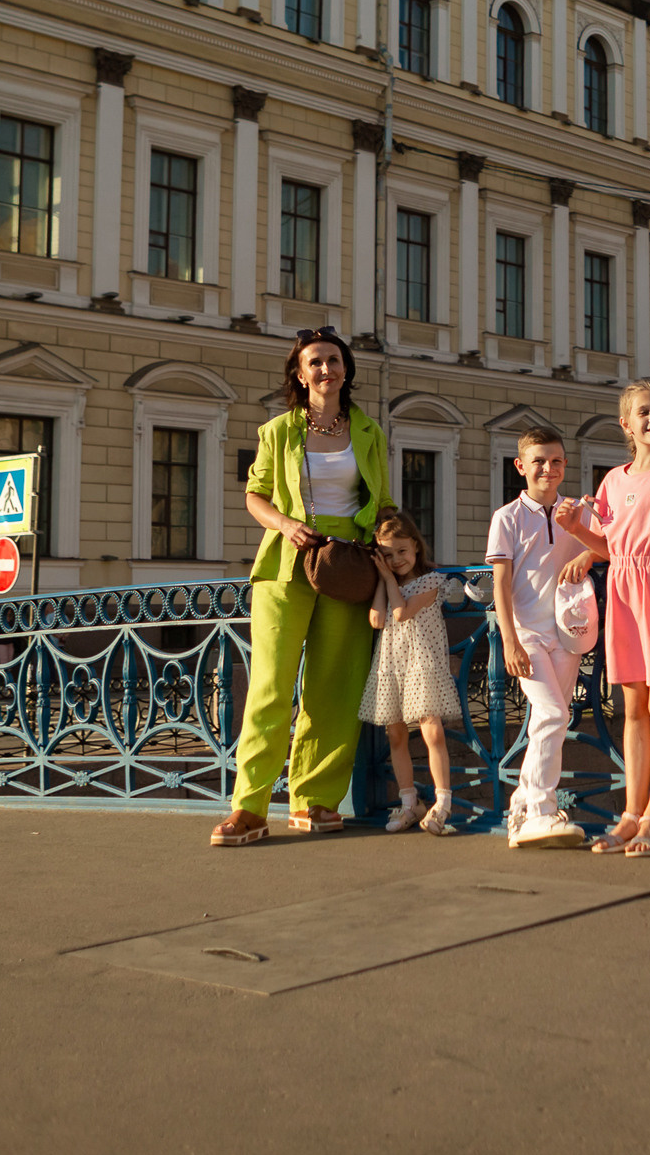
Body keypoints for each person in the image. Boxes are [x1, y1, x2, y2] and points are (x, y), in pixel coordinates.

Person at [211, 328, 390, 847]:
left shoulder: (368, 431)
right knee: (269, 687)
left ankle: (316, 800)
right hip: (288, 563)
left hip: (350, 566)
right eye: (315, 362)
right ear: (299, 372)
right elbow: (255, 495)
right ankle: (248, 807)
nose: (326, 369)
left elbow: (380, 502)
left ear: (346, 370)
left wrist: (398, 551)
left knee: (334, 687)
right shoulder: (278, 431)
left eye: (334, 360)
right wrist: (286, 525)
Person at [558, 380, 650, 858]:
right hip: (624, 593)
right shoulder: (611, 481)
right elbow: (611, 549)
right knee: (631, 710)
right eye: (643, 412)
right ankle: (630, 815)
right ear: (626, 424)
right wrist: (576, 532)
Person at [486, 425, 592, 850]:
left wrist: (586, 551)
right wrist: (509, 641)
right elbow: (500, 583)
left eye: (556, 461)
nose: (548, 468)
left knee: (549, 721)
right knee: (551, 716)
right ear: (521, 466)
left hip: (568, 633)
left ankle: (521, 807)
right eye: (539, 461)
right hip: (527, 634)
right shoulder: (506, 517)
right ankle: (544, 811)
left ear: (564, 464)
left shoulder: (575, 511)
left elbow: (606, 545)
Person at [362, 510, 462, 836]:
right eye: (387, 555)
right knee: (395, 733)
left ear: (416, 547)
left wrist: (390, 581)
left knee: (431, 729)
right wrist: (383, 580)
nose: (396, 559)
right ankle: (409, 802)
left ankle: (443, 802)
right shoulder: (388, 580)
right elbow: (378, 619)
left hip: (423, 662)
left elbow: (402, 612)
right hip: (392, 663)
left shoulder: (432, 581)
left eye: (402, 551)